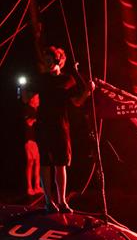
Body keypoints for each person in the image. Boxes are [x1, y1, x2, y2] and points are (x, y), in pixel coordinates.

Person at [35, 45, 94, 212]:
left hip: (61, 126)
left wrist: (88, 92)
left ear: (58, 61)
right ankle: (48, 201)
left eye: (49, 60)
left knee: (61, 164)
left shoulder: (68, 80)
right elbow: (27, 96)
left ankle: (62, 201)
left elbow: (77, 102)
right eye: (45, 60)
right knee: (46, 164)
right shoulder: (41, 79)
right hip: (44, 125)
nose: (46, 63)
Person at [20, 90, 42, 199]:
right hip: (29, 140)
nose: (39, 100)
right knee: (30, 163)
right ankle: (29, 187)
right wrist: (35, 118)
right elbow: (28, 122)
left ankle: (37, 186)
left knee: (37, 162)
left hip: (35, 140)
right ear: (32, 99)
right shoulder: (27, 109)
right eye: (37, 98)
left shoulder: (35, 109)